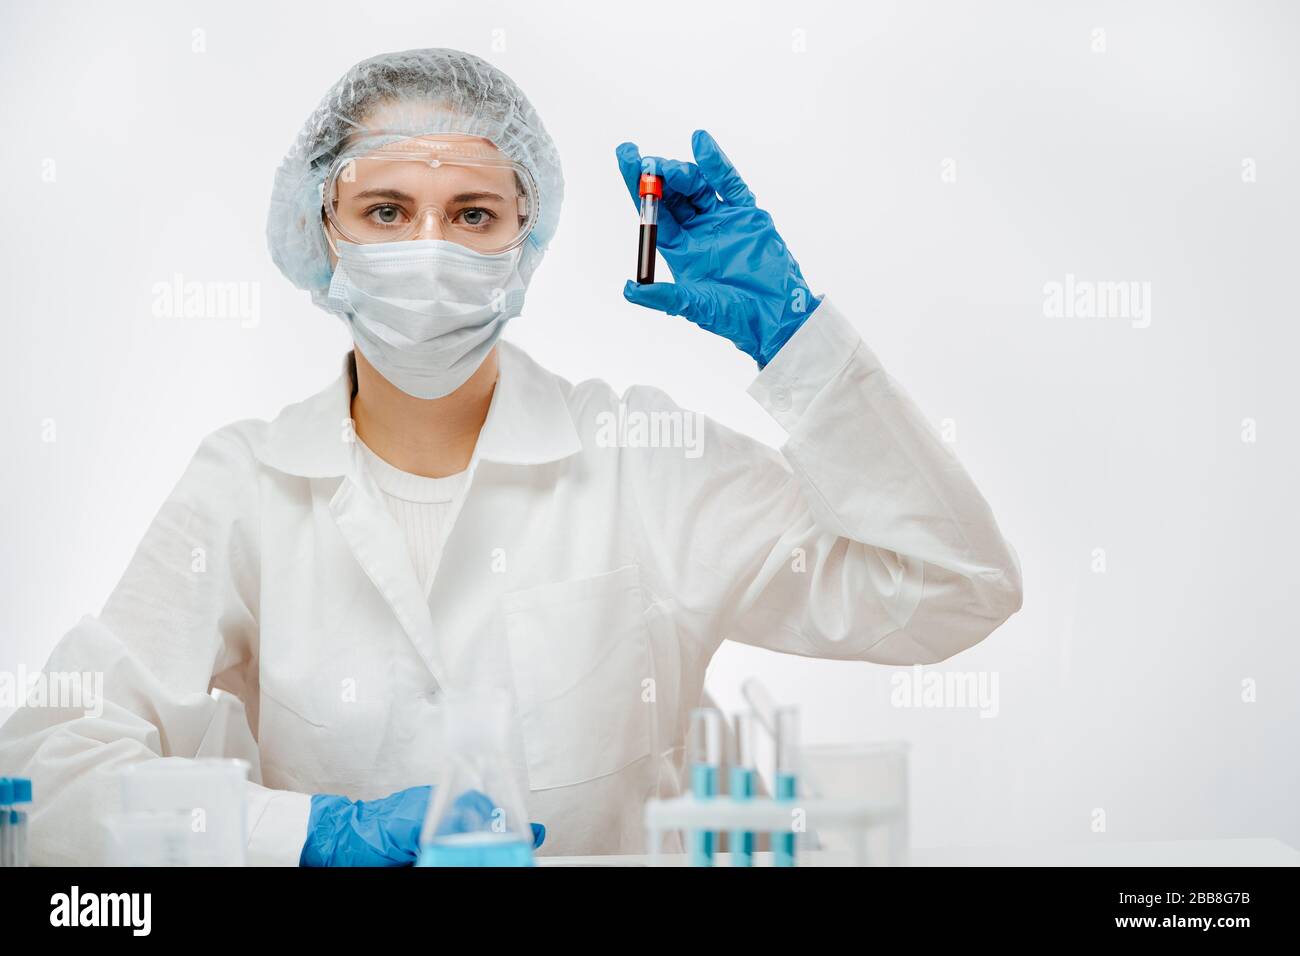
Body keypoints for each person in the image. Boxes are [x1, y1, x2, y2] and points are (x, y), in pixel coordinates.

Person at [0, 48, 1022, 865]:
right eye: (387, 211)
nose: (430, 249)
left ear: (525, 239)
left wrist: (798, 343)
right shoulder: (247, 484)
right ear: (323, 230)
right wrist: (300, 835)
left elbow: (951, 587)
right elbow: (46, 770)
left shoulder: (640, 459)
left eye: (472, 213)